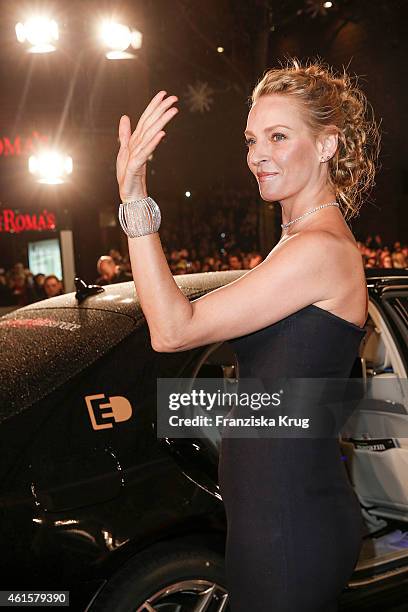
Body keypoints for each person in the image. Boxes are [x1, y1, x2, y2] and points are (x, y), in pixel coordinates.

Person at [115, 58, 380, 611]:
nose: (258, 154)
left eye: (278, 137)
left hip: (291, 523)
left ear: (327, 145)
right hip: (274, 517)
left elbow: (172, 329)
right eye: (252, 139)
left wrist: (135, 199)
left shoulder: (321, 251)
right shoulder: (296, 242)